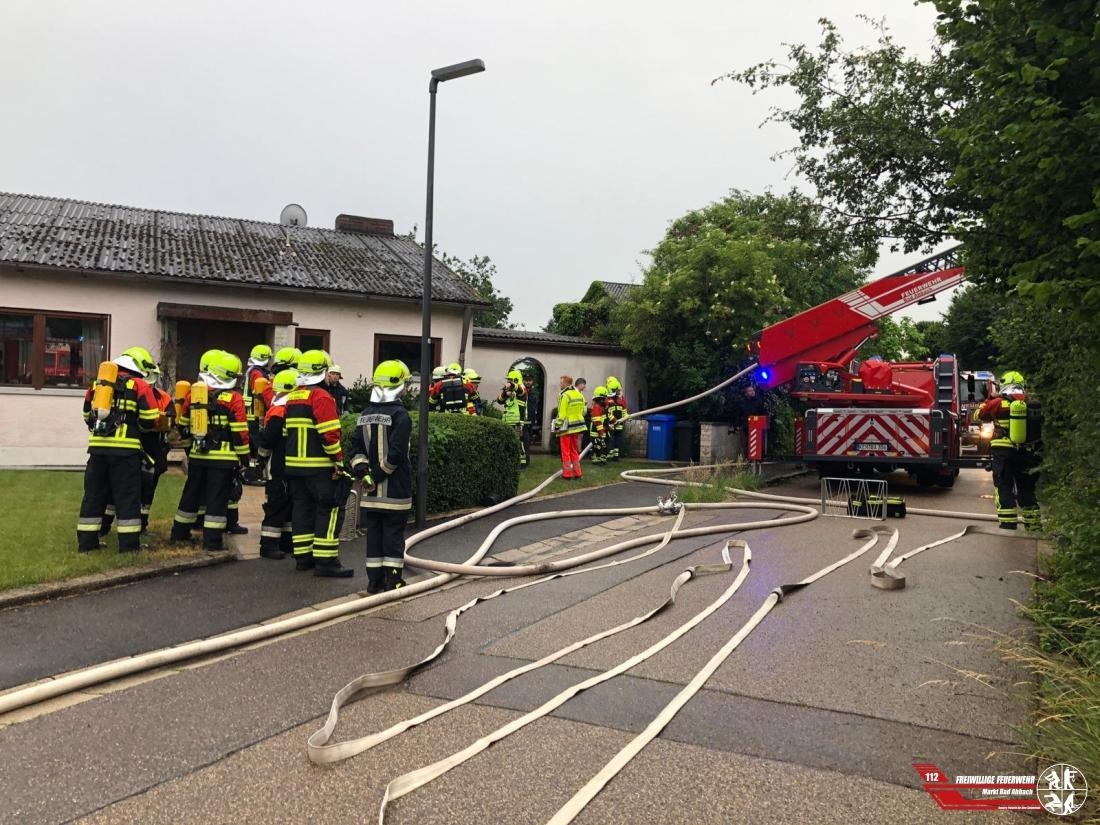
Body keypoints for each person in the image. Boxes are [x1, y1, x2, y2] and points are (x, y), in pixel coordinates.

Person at [76, 346, 160, 553]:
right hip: (126, 452)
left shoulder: (98, 384)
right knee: (127, 497)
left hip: (97, 451)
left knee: (93, 496)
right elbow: (150, 418)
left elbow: (87, 416)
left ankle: (87, 544)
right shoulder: (139, 385)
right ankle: (129, 546)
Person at [170, 351, 250, 552]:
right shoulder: (234, 398)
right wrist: (245, 459)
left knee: (191, 495)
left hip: (198, 457)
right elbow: (240, 433)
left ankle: (179, 534)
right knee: (217, 500)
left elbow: (183, 425)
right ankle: (212, 542)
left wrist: (190, 450)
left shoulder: (194, 395)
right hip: (223, 460)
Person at [283, 349, 354, 577]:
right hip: (319, 467)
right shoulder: (321, 397)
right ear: (322, 372)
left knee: (302, 509)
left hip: (295, 468)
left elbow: (285, 433)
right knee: (330, 509)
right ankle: (326, 562)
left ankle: (303, 558)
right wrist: (338, 461)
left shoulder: (292, 397)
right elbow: (330, 434)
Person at [349, 359, 413, 593]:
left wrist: (363, 472)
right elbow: (397, 454)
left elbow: (355, 449)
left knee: (374, 537)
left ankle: (374, 582)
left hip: (370, 494)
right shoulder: (401, 415)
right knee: (393, 536)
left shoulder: (365, 414)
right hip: (395, 491)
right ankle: (393, 580)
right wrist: (377, 475)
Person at [973, 370, 1041, 530]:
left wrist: (988, 400)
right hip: (1027, 452)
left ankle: (1008, 523)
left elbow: (977, 416)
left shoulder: (998, 402)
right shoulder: (1030, 402)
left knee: (1004, 485)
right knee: (1026, 489)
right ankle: (1034, 526)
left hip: (1003, 451)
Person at [255, 368, 298, 559]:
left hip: (283, 464)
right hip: (279, 466)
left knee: (287, 503)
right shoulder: (281, 411)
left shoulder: (280, 408)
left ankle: (285, 542)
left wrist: (262, 457)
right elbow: (268, 440)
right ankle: (268, 545)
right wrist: (262, 459)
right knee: (277, 504)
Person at [242, 345, 273, 477]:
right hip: (255, 414)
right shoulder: (257, 373)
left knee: (253, 444)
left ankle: (252, 472)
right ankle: (254, 474)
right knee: (256, 445)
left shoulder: (251, 370)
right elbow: (261, 392)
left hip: (250, 413)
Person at [553, 375, 587, 479]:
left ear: (566, 383)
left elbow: (562, 413)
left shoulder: (565, 395)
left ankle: (567, 474)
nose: (560, 384)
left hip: (566, 427)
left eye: (561, 382)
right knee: (574, 451)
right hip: (577, 427)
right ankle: (578, 473)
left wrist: (557, 426)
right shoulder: (579, 394)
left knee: (565, 451)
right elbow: (584, 411)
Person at [495, 369, 529, 468]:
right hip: (507, 421)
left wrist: (511, 385)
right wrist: (505, 393)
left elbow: (519, 390)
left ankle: (522, 463)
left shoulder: (522, 388)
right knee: (509, 442)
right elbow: (499, 401)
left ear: (515, 380)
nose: (508, 382)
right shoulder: (509, 391)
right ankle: (510, 462)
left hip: (517, 422)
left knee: (518, 442)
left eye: (509, 380)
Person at [739, 383, 768, 460]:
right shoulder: (743, 403)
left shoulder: (758, 402)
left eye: (753, 390)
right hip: (747, 426)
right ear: (746, 393)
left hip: (757, 427)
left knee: (758, 442)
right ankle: (748, 458)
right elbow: (740, 414)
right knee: (747, 442)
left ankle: (759, 458)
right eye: (750, 391)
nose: (752, 392)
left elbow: (763, 413)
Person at [605, 376, 628, 460]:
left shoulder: (607, 400)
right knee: (617, 438)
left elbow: (606, 411)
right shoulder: (620, 400)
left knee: (611, 438)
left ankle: (610, 454)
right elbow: (624, 409)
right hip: (619, 423)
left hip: (612, 423)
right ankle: (616, 455)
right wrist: (625, 417)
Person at [588, 386, 611, 465]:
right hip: (596, 432)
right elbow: (597, 421)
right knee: (597, 447)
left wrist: (614, 421)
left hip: (602, 431)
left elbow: (607, 416)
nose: (607, 400)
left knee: (603, 446)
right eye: (606, 398)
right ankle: (596, 460)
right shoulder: (597, 408)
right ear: (601, 399)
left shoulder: (602, 407)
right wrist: (601, 432)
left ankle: (602, 459)